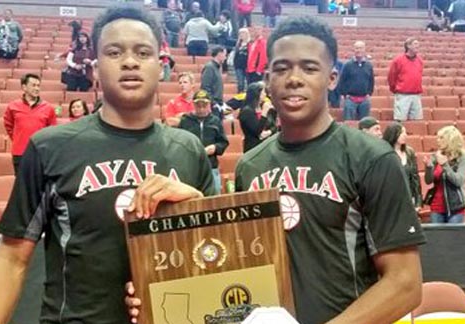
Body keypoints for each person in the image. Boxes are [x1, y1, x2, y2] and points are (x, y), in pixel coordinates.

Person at [126, 16, 425, 324]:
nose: (294, 78)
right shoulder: (251, 165)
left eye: (309, 68)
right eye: (282, 68)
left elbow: (405, 285)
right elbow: (234, 263)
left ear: (332, 78)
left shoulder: (371, 158)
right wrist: (157, 284)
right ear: (267, 79)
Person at [0, 6, 215, 324]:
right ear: (96, 67)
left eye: (143, 52)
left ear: (160, 66)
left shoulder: (189, 150)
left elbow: (215, 257)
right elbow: (12, 258)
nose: (129, 61)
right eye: (114, 52)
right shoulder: (50, 147)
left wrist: (195, 204)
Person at [3, 74, 57, 174]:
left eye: (38, 85)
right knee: (21, 186)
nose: (37, 88)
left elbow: (52, 131)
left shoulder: (48, 108)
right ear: (24, 87)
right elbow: (9, 126)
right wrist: (18, 138)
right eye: (33, 85)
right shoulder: (12, 106)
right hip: (19, 153)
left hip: (40, 153)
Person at [179, 90, 229, 194]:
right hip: (191, 168)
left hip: (211, 166)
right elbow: (179, 142)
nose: (201, 108)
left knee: (214, 200)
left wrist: (215, 148)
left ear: (209, 105)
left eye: (204, 105)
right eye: (198, 105)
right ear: (194, 105)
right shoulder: (185, 121)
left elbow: (223, 142)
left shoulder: (215, 121)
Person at [423, 126, 465, 224]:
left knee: (453, 238)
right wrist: (428, 168)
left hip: (455, 207)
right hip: (436, 206)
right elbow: (428, 181)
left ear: (450, 139)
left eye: (441, 138)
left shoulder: (462, 156)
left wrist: (445, 165)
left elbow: (458, 181)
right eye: (437, 138)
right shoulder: (436, 155)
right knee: (438, 238)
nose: (437, 141)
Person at [383, 122, 422, 210]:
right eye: (401, 132)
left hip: (408, 198)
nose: (405, 135)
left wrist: (418, 201)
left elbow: (415, 178)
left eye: (405, 132)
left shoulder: (409, 152)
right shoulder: (384, 152)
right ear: (393, 134)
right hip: (390, 200)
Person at [388, 38, 424, 122]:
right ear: (408, 46)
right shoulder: (398, 60)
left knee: (417, 121)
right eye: (415, 44)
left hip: (416, 95)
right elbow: (391, 77)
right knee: (400, 120)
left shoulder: (420, 60)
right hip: (403, 95)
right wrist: (396, 89)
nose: (417, 46)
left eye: (418, 44)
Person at [338, 40, 374, 120]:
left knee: (365, 124)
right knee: (348, 123)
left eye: (361, 48)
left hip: (364, 99)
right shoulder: (347, 65)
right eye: (357, 48)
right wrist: (344, 94)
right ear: (354, 50)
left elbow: (371, 80)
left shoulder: (369, 65)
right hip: (350, 99)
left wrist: (369, 93)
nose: (359, 50)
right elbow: (342, 80)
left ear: (364, 49)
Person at [238, 82, 277, 152]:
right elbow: (257, 131)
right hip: (253, 147)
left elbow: (274, 126)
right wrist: (264, 113)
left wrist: (269, 132)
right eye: (263, 92)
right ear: (257, 94)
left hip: (267, 145)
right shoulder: (247, 111)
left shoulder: (264, 107)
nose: (265, 94)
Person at [200, 45, 227, 115]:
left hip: (217, 104)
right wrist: (213, 103)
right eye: (224, 54)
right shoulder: (210, 67)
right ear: (219, 54)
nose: (225, 57)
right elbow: (205, 88)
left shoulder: (216, 68)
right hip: (213, 105)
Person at [233, 28, 251, 93]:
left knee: (249, 83)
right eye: (240, 34)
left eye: (243, 33)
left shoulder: (250, 43)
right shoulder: (238, 44)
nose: (241, 35)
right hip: (238, 66)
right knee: (240, 84)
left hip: (247, 66)